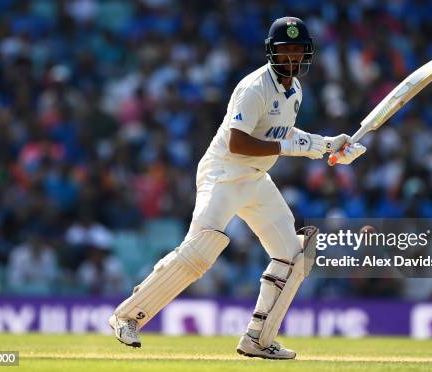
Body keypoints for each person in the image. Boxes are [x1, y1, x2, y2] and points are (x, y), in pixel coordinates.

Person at [108, 16, 366, 360]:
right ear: (271, 52)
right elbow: (238, 143)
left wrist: (327, 146)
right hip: (224, 174)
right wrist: (295, 148)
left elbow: (282, 134)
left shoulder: (295, 91)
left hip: (256, 179)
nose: (291, 58)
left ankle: (258, 339)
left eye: (298, 51)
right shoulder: (254, 87)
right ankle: (127, 316)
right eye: (285, 50)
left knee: (294, 256)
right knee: (200, 251)